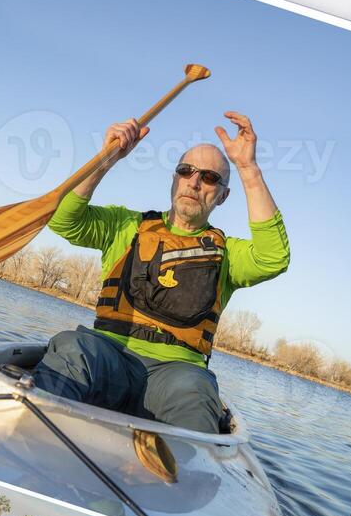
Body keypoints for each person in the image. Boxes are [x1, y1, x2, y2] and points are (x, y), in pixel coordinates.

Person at [30, 111, 289, 434]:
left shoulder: (230, 254)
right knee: (72, 345)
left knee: (196, 393)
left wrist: (248, 171)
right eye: (186, 171)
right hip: (106, 355)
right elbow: (63, 220)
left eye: (209, 178)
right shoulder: (123, 225)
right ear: (174, 178)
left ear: (223, 196)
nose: (194, 182)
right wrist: (106, 157)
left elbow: (273, 257)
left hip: (178, 375)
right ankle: (34, 433)